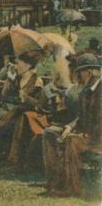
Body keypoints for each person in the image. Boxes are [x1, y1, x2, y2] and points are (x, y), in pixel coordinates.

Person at [0, 51, 49, 166]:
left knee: (6, 128)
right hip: (18, 112)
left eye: (19, 63)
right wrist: (9, 79)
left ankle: (7, 158)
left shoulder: (37, 81)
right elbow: (4, 95)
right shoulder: (19, 78)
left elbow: (40, 103)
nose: (16, 65)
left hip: (29, 116)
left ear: (28, 65)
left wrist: (26, 97)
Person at [42, 53, 101, 196]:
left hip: (97, 138)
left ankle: (72, 187)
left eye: (79, 73)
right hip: (86, 133)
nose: (77, 77)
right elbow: (82, 116)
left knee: (71, 141)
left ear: (89, 72)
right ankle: (56, 180)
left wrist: (83, 133)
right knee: (49, 133)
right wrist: (70, 126)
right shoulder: (88, 90)